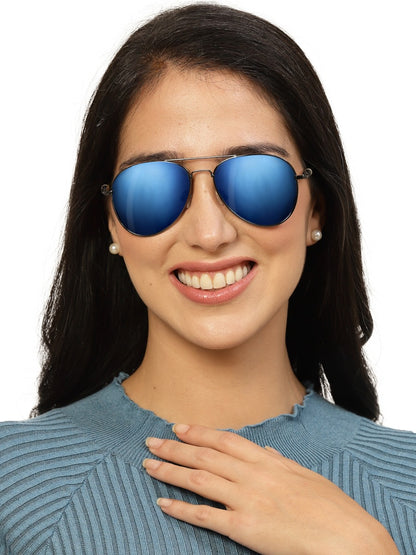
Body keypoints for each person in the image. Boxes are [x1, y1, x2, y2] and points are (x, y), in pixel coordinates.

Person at [0, 3, 415, 553]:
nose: (208, 231)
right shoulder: (12, 487)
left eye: (257, 179)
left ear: (317, 210)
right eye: (152, 188)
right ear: (112, 224)